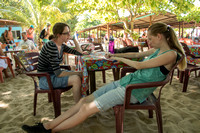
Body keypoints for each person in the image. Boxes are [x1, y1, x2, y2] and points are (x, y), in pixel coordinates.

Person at [22, 22, 187, 133]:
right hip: (127, 83)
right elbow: (138, 54)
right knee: (83, 101)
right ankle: (47, 125)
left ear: (159, 36)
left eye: (150, 39)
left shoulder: (171, 54)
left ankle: (50, 130)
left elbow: (139, 65)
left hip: (134, 92)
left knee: (86, 108)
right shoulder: (159, 51)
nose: (149, 42)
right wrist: (115, 54)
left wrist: (119, 59)